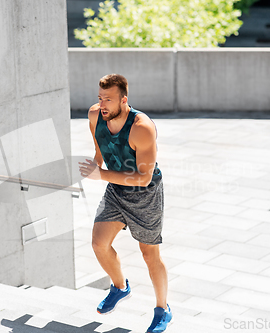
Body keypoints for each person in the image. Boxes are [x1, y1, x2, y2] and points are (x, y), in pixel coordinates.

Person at [79, 74, 172, 333]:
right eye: (100, 98)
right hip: (116, 191)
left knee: (149, 254)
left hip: (146, 195)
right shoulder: (96, 115)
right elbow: (100, 146)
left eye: (109, 99)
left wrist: (102, 175)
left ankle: (162, 309)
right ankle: (120, 287)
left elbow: (143, 178)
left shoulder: (142, 128)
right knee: (99, 243)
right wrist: (96, 164)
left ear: (124, 99)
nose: (103, 104)